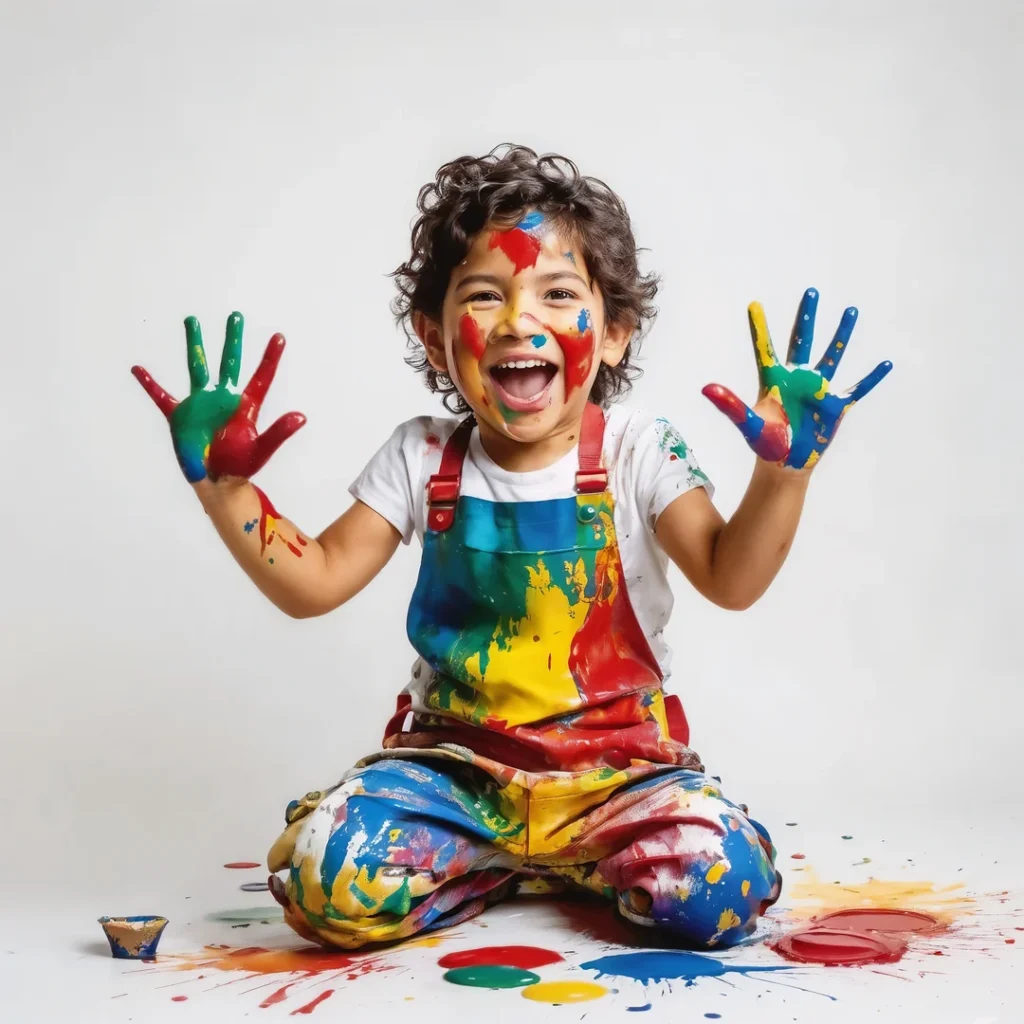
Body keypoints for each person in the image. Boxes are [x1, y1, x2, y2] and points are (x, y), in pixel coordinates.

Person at [132, 144, 891, 951]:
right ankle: (495, 859)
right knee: (329, 881)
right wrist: (226, 490)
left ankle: (563, 860)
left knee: (720, 888)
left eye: (557, 294)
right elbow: (312, 583)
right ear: (435, 338)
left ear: (614, 335)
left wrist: (783, 475)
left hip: (619, 780)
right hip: (454, 779)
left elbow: (730, 579)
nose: (519, 321)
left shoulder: (640, 449)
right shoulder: (422, 456)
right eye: (485, 295)